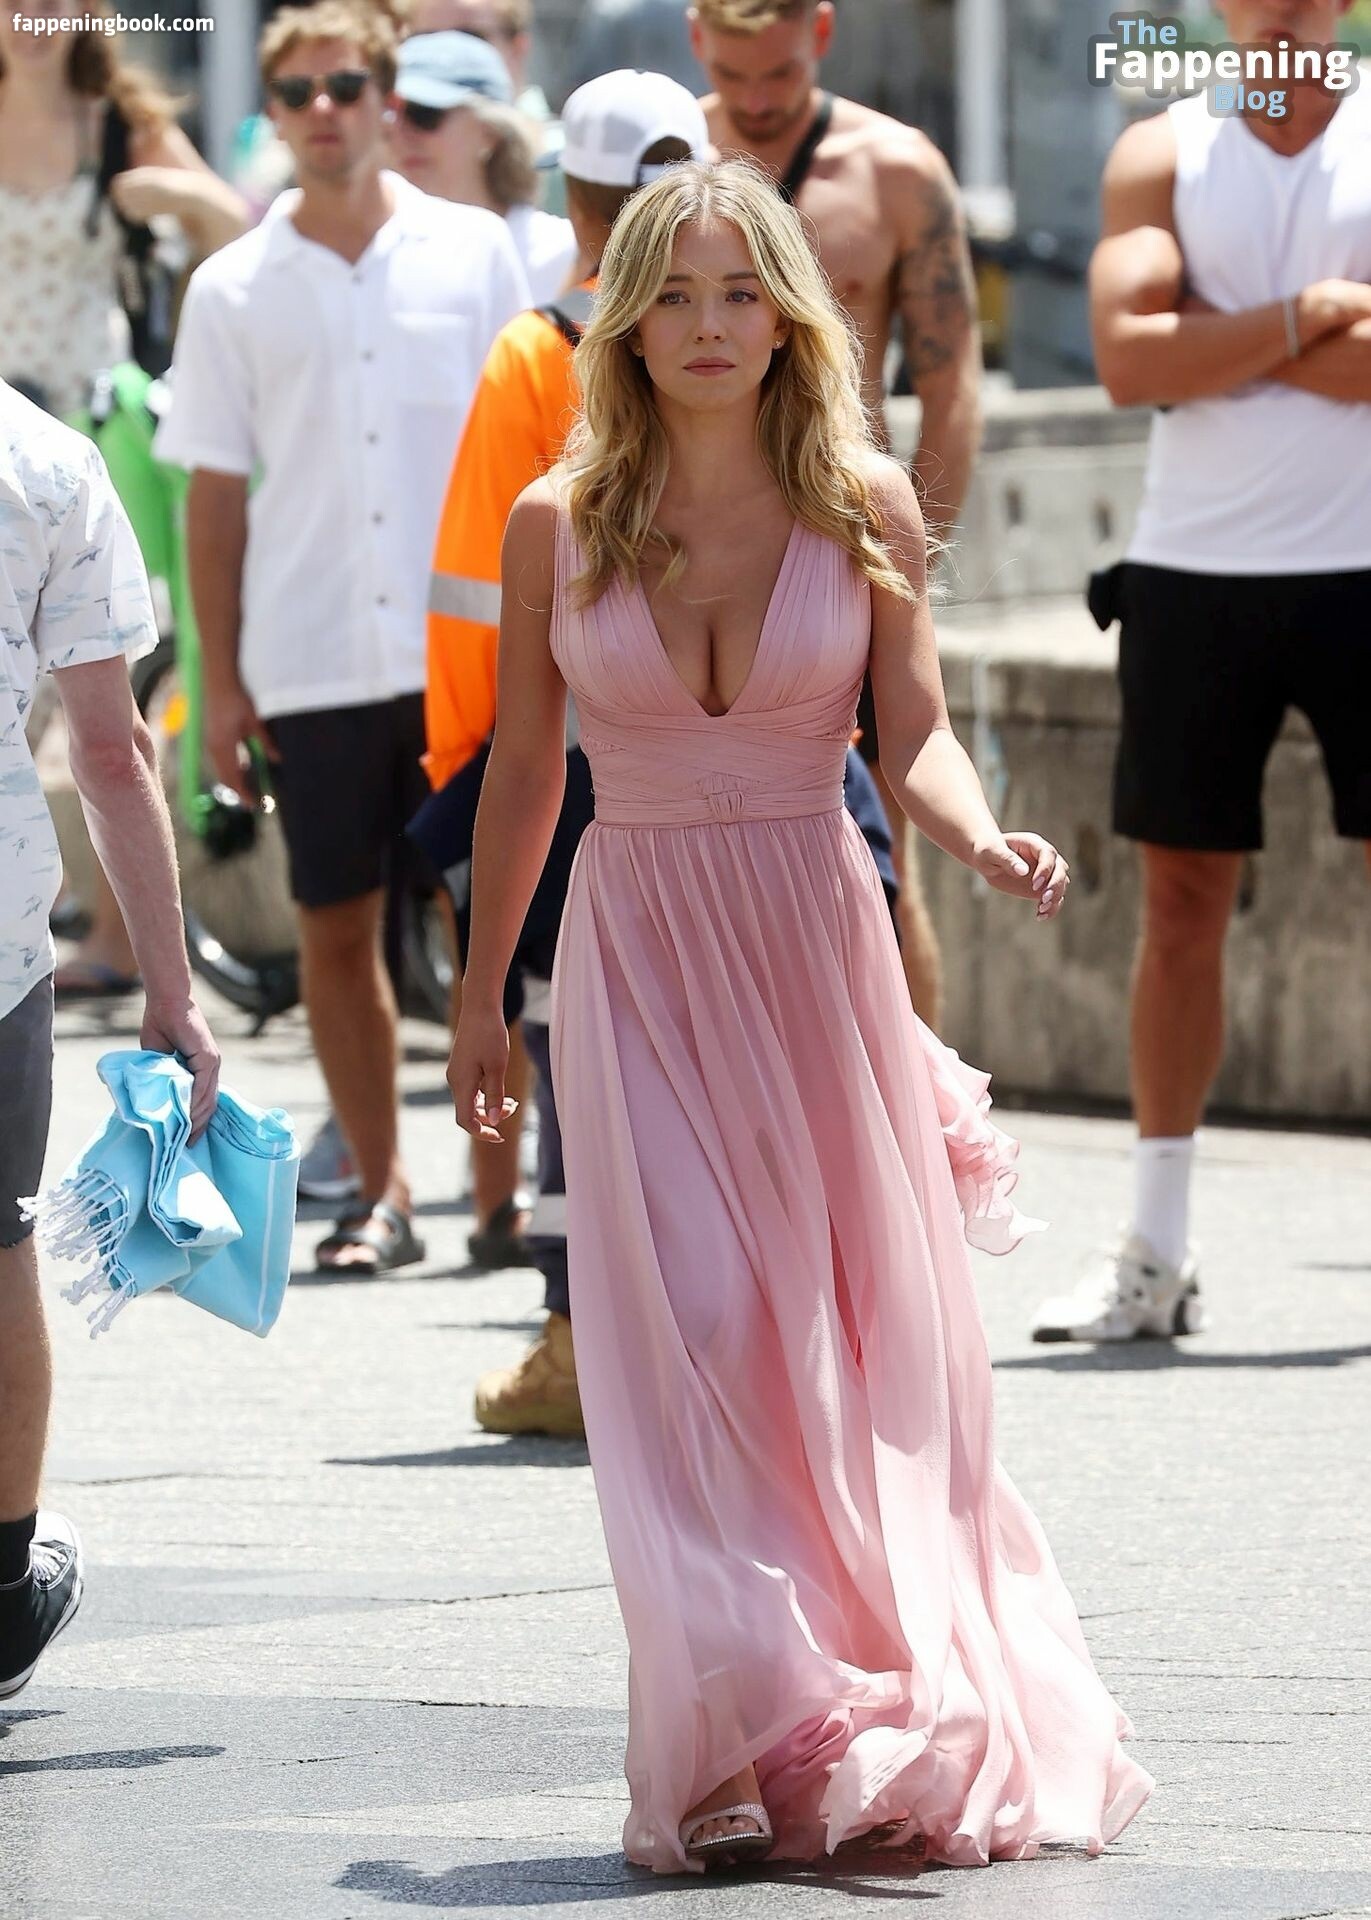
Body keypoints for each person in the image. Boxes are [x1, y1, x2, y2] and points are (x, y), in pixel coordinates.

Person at [447, 159, 1151, 1871]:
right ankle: (729, 1724)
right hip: (634, 954)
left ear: (786, 318)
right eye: (675, 295)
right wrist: (479, 1000)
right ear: (628, 321)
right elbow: (525, 772)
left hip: (811, 949)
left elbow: (912, 733)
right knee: (688, 1330)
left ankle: (834, 1700)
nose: (708, 325)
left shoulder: (862, 503)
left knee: (832, 1348)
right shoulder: (556, 519)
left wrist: (979, 837)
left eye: (739, 293)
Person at [154, 0, 528, 1274]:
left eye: (347, 85)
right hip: (309, 653)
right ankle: (382, 1189)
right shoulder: (230, 287)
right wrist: (217, 685)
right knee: (332, 922)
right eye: (298, 92)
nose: (324, 112)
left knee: (491, 924)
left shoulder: (476, 252)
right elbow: (211, 498)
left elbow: (539, 452)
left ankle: (499, 1197)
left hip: (468, 654)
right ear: (274, 112)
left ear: (385, 95)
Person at [1033, 0, 1371, 1345]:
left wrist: (1219, 338)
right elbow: (1129, 359)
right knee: (1178, 910)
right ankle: (1155, 1253)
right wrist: (1309, 316)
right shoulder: (1161, 148)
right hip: (1191, 570)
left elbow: (1175, 347)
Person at [425, 69, 709, 1430]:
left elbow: (473, 597)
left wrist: (459, 766)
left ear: (576, 205)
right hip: (740, 760)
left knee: (568, 1036)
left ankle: (575, 1331)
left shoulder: (540, 353)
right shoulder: (760, 333)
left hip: (579, 749)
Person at [689, 0, 987, 1033]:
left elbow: (952, 388)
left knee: (887, 862)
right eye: (734, 74)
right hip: (692, 563)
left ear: (820, 34)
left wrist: (902, 572)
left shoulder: (896, 171)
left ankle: (917, 1108)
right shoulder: (670, 161)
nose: (757, 101)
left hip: (845, 552)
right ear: (695, 40)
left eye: (778, 72)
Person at [0, 377, 220, 1697]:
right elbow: (111, 749)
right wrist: (171, 987)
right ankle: (0, 1590)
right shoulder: (43, 463)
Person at [0, 0, 247, 1002]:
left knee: (109, 699)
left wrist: (172, 195)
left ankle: (114, 936)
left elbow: (235, 231)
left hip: (88, 446)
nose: (34, 15)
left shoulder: (117, 123)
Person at [389, 30, 575, 301]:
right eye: (391, 113)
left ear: (490, 133)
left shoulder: (562, 253)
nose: (400, 132)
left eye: (423, 114)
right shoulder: (370, 252)